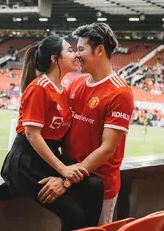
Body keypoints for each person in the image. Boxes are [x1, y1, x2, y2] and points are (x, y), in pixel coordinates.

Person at [1, 35, 104, 231]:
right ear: (55, 59)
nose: (75, 55)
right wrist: (63, 169)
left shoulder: (62, 91)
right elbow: (32, 135)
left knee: (95, 184)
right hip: (26, 162)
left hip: (46, 159)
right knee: (75, 215)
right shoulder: (39, 88)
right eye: (70, 51)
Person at [38, 23, 134, 225]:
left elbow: (107, 149)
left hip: (99, 186)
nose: (76, 55)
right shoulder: (76, 83)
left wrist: (66, 181)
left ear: (99, 49)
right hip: (72, 178)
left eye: (81, 49)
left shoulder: (120, 92)